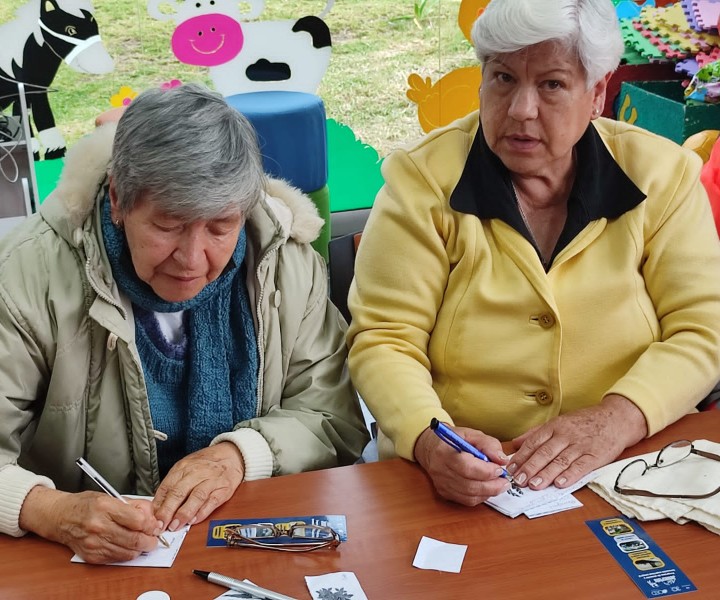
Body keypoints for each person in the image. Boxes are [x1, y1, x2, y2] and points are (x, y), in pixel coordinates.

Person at [347, 0, 720, 507]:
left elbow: (703, 325)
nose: (521, 109)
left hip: (631, 460)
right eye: (502, 78)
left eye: (551, 84)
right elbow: (385, 339)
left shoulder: (662, 175)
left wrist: (619, 418)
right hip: (471, 470)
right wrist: (430, 439)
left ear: (596, 96)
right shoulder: (422, 181)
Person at [0, 83, 369, 563]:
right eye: (168, 225)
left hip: (246, 540)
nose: (192, 259)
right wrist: (49, 510)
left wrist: (240, 455)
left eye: (220, 227)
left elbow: (333, 414)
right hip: (77, 562)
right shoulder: (27, 273)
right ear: (117, 199)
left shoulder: (283, 261)